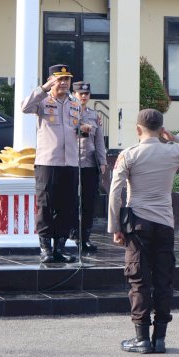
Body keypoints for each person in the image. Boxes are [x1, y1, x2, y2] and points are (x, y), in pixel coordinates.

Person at [108, 109, 179, 354]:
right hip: (165, 223)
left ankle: (141, 338)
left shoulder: (129, 154)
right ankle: (160, 338)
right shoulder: (172, 150)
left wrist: (115, 227)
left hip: (137, 224)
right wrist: (175, 138)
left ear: (138, 129)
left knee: (139, 280)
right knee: (163, 279)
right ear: (161, 128)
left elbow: (115, 192)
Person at [21, 64, 80, 263]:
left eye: (67, 79)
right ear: (51, 80)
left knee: (67, 206)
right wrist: (44, 88)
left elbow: (77, 129)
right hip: (48, 162)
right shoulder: (43, 101)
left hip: (70, 163)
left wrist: (83, 130)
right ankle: (45, 249)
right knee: (45, 205)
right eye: (59, 79)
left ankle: (60, 249)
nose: (63, 83)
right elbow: (25, 107)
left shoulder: (75, 105)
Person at [71, 81, 107, 252]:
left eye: (86, 94)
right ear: (74, 94)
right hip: (71, 161)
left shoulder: (94, 115)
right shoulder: (68, 112)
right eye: (80, 94)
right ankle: (71, 236)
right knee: (72, 200)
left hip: (90, 162)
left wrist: (103, 161)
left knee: (88, 202)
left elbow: (99, 140)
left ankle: (85, 237)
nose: (83, 97)